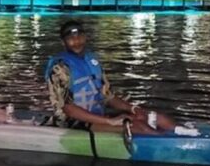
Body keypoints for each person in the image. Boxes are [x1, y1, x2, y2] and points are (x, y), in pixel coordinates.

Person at [44, 20, 182, 135]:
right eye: (71, 39)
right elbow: (68, 109)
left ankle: (184, 133)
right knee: (137, 127)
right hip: (72, 122)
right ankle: (168, 145)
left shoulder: (92, 61)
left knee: (156, 117)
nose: (77, 41)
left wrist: (134, 109)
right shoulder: (59, 68)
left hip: (97, 117)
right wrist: (110, 121)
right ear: (63, 42)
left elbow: (108, 96)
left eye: (80, 37)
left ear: (85, 37)